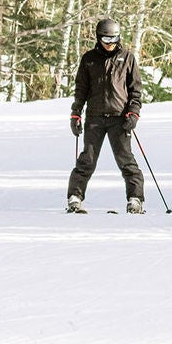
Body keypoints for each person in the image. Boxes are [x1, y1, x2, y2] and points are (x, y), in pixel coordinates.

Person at [67, 17, 145, 214]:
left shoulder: (127, 58)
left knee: (125, 159)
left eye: (114, 39)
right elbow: (81, 89)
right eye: (106, 40)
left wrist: (133, 113)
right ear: (98, 38)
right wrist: (76, 114)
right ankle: (75, 197)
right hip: (95, 117)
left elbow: (135, 90)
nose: (110, 44)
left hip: (120, 118)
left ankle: (135, 198)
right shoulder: (89, 59)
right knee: (87, 159)